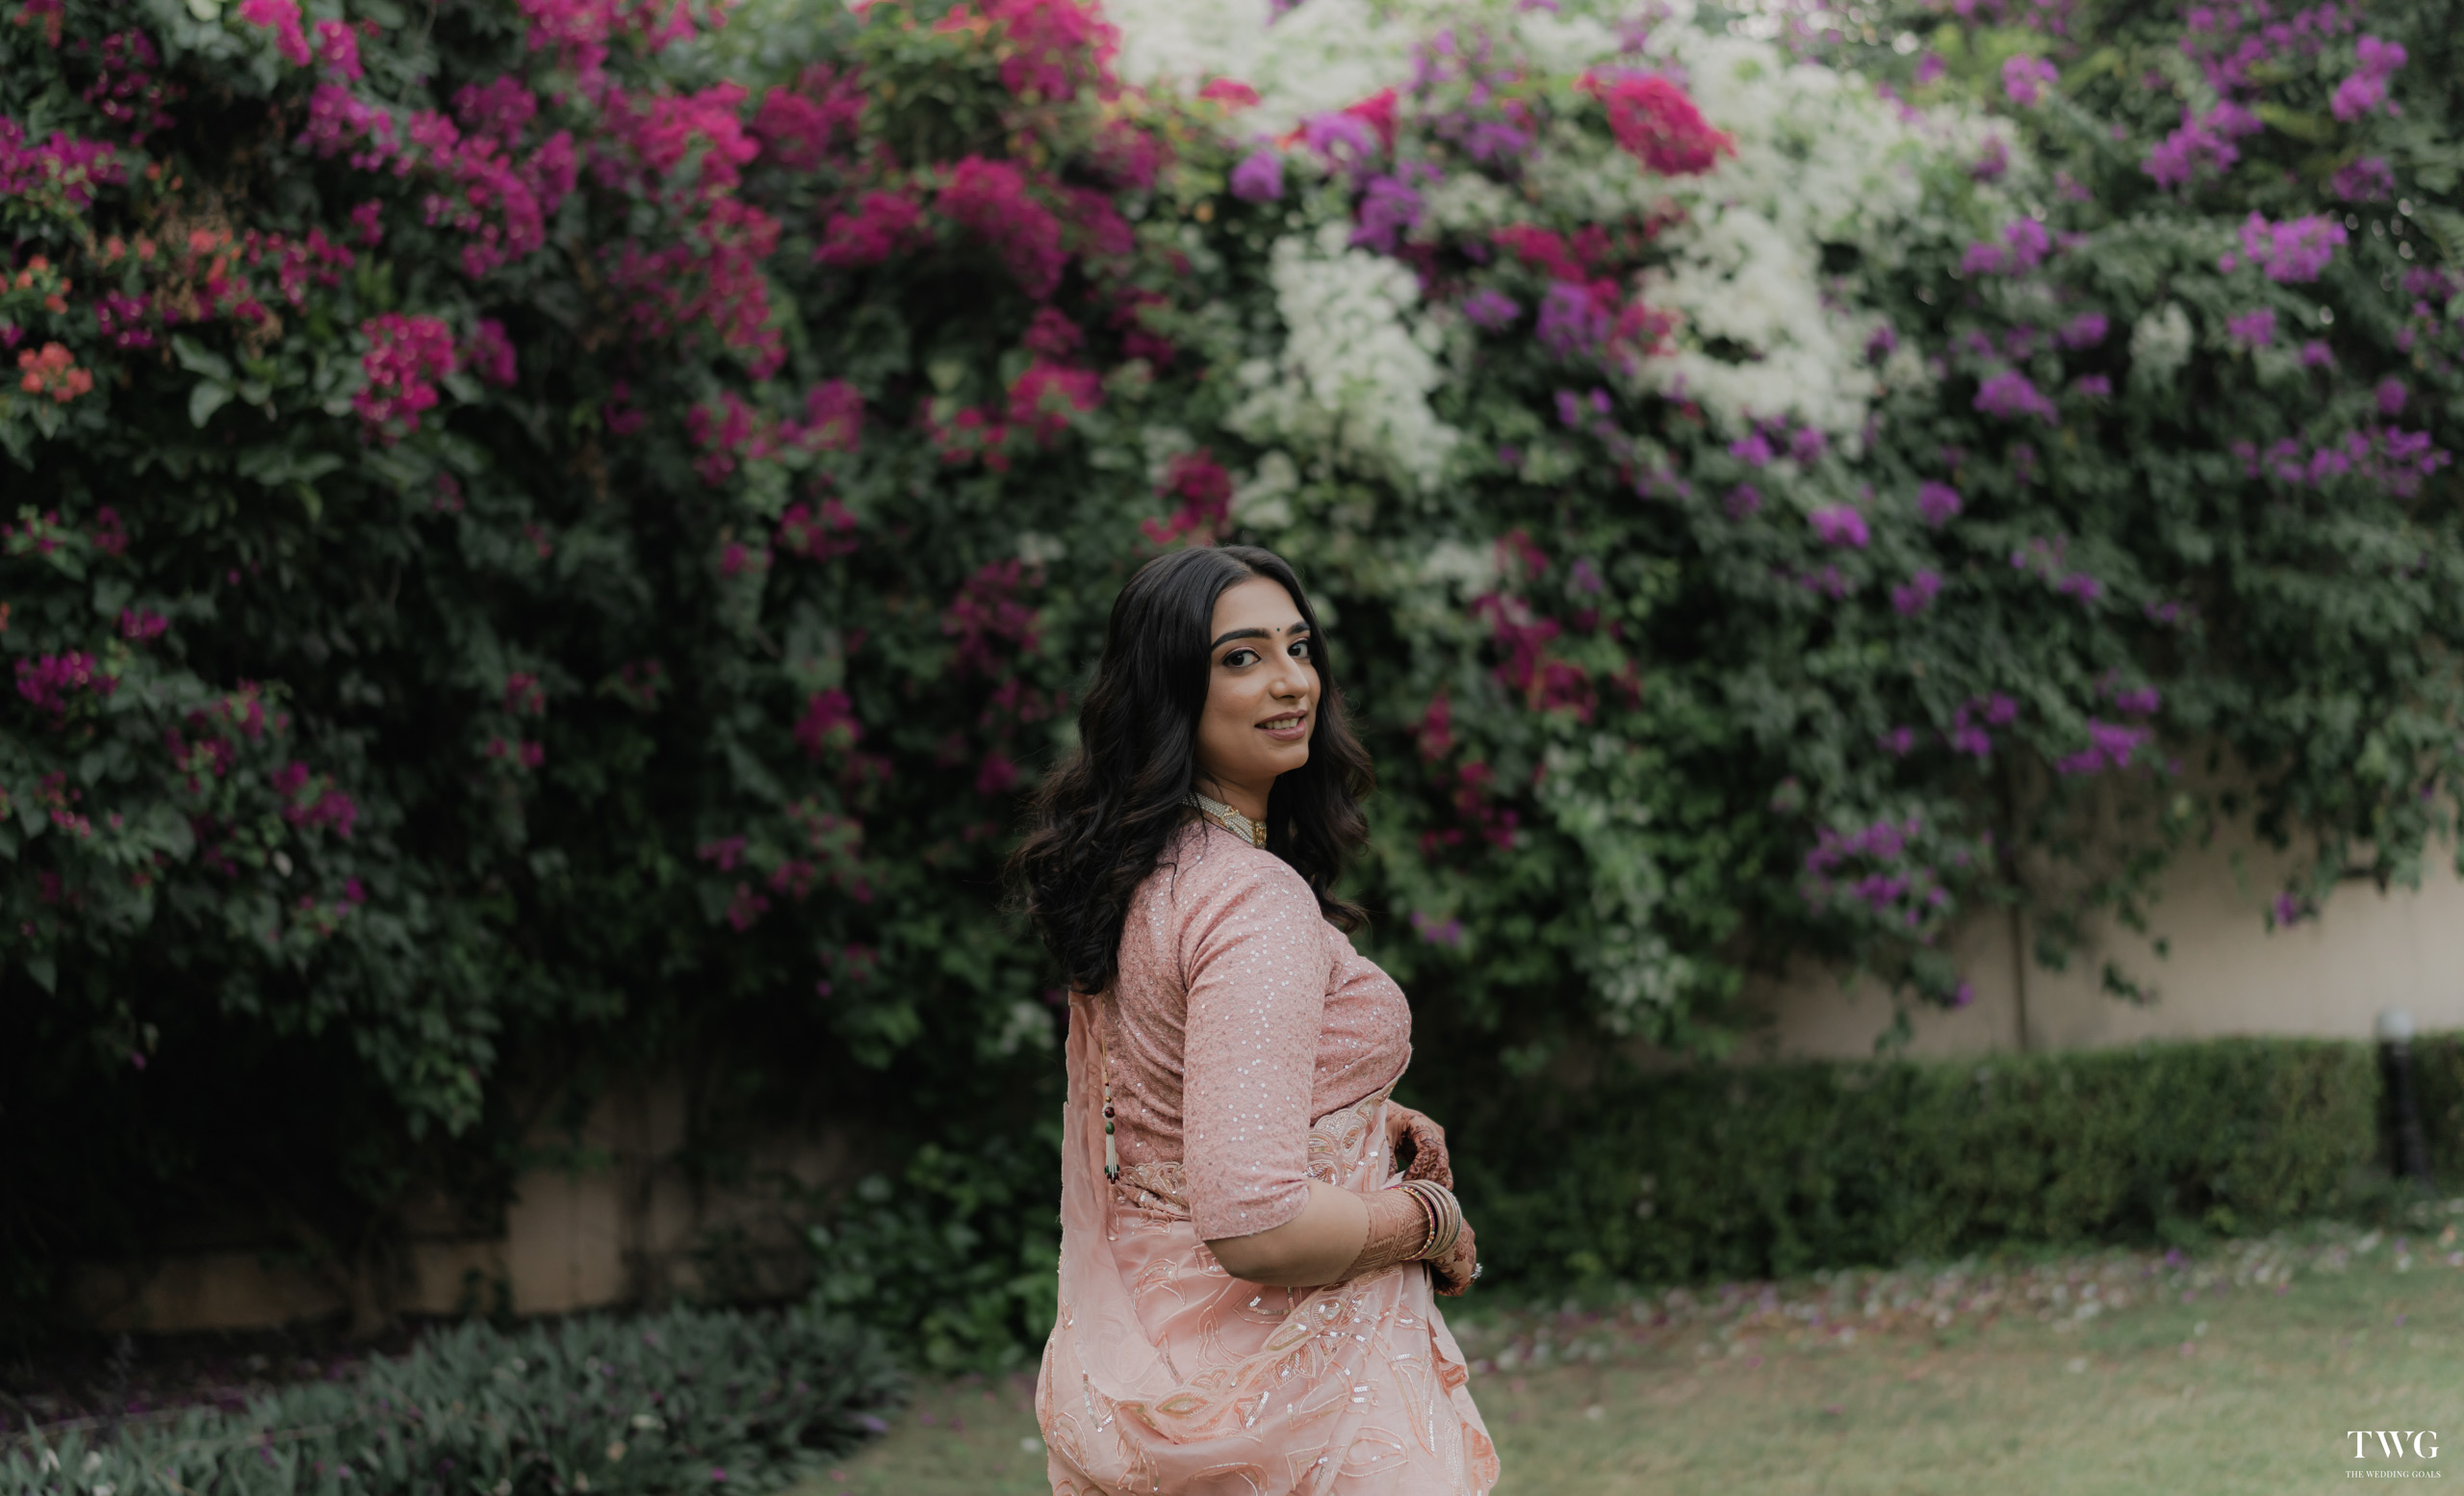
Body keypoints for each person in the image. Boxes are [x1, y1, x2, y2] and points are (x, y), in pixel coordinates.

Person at [1010, 545, 1499, 1495]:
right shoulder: (1248, 900)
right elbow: (1255, 1223)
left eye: (1298, 648)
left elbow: (1172, 1105)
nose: (1291, 682)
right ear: (1170, 691)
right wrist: (1429, 1221)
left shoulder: (1148, 874)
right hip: (1283, 1398)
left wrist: (1359, 1126)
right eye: (1241, 657)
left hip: (1158, 1344)